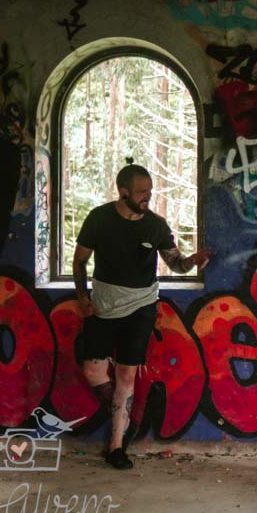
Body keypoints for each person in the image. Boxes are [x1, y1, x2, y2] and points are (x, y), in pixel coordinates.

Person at [73, 161, 213, 469]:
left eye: (149, 191)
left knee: (126, 375)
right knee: (92, 371)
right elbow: (80, 261)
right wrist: (82, 298)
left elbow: (176, 264)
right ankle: (119, 410)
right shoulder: (98, 219)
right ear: (122, 192)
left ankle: (116, 446)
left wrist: (193, 260)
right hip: (103, 306)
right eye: (141, 192)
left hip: (141, 308)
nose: (147, 197)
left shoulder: (156, 225)